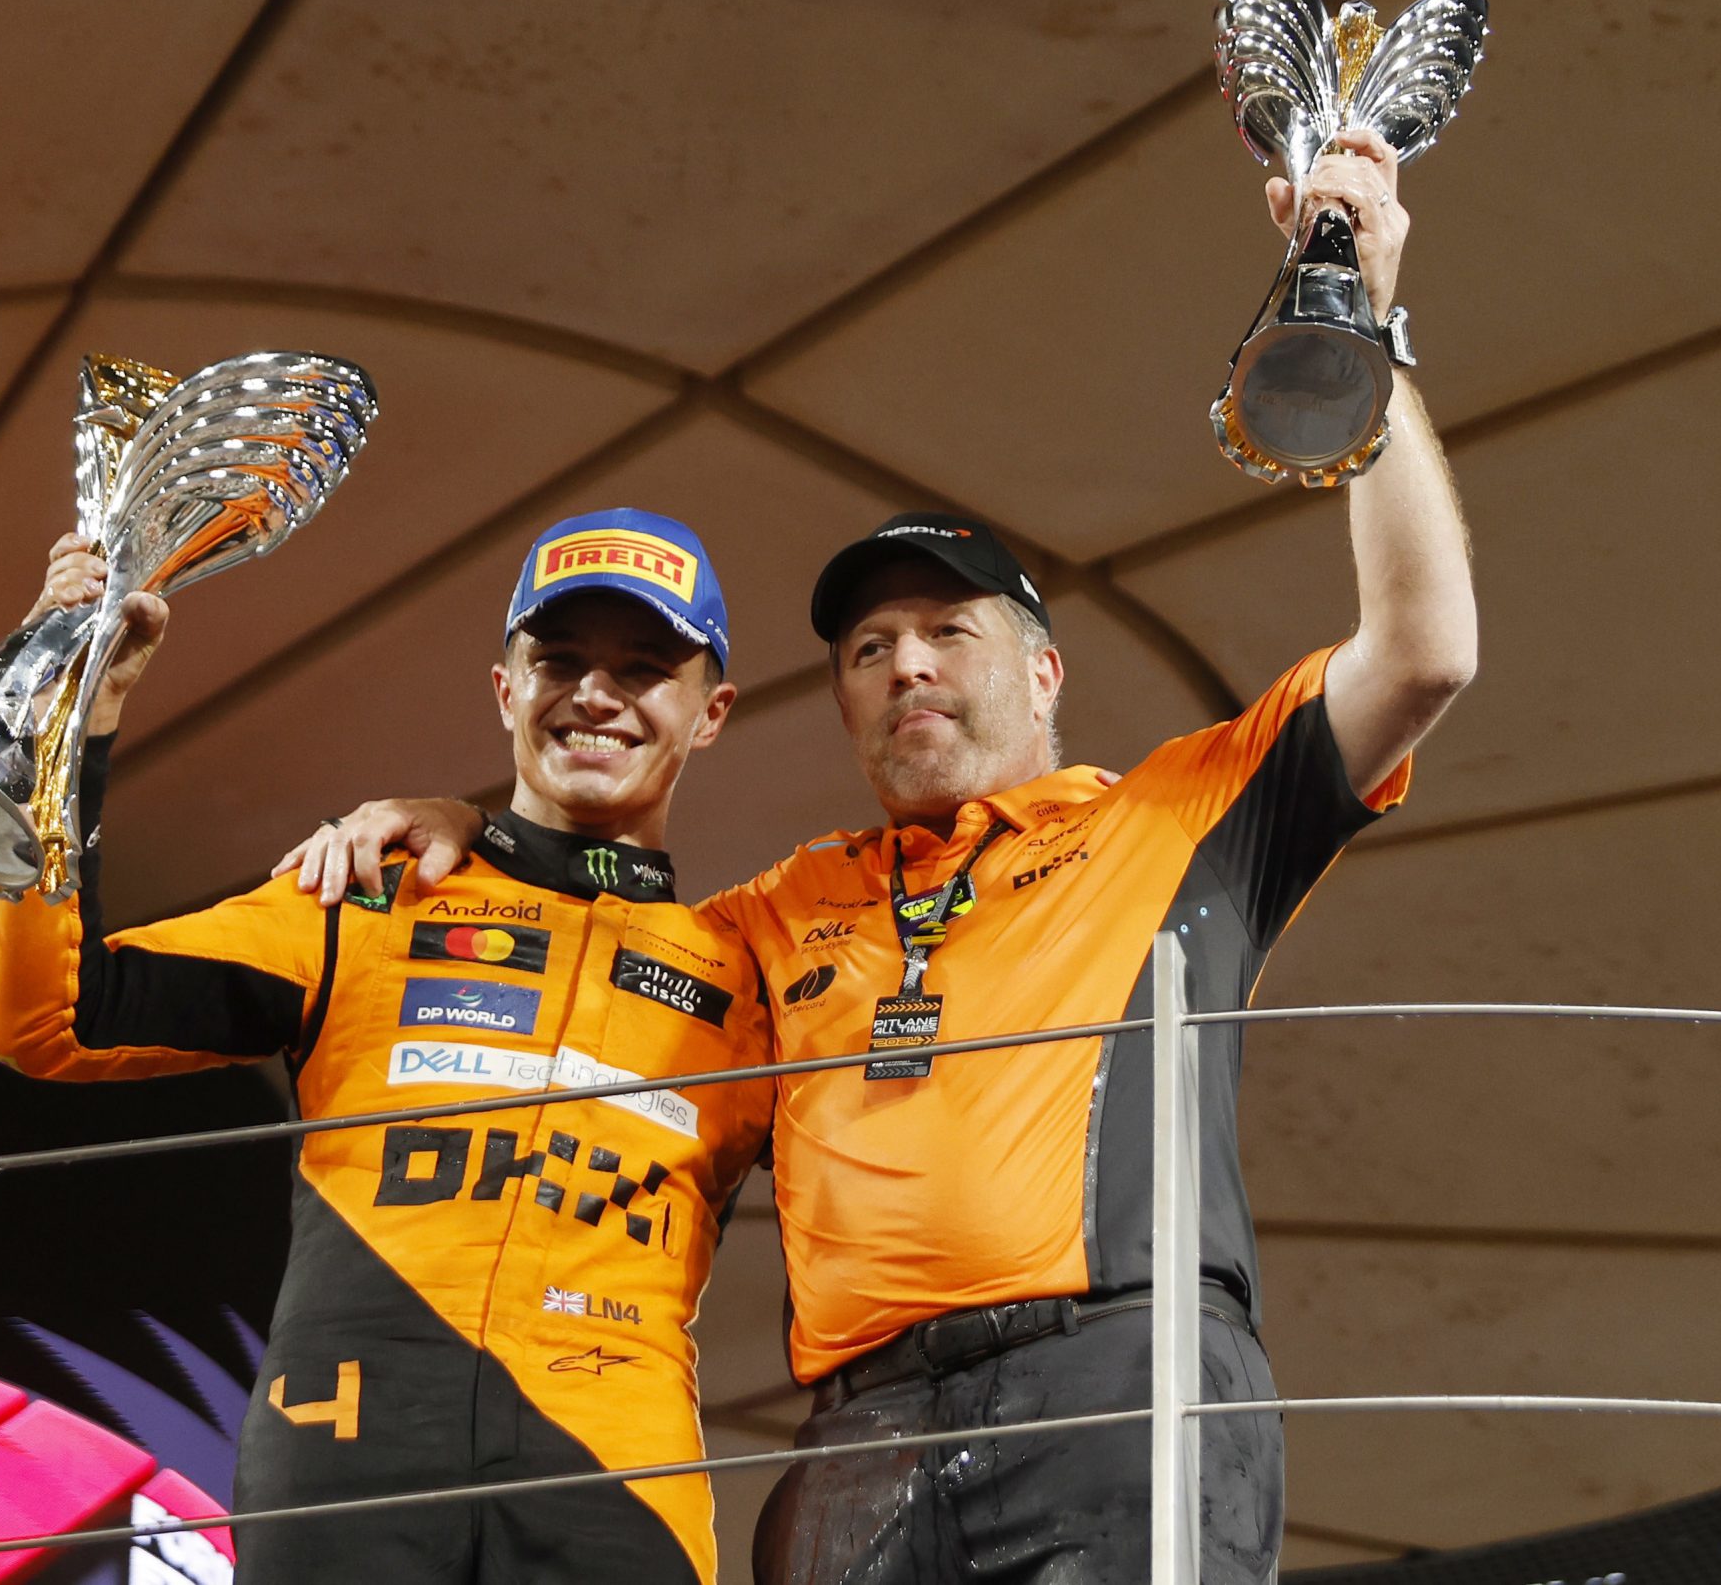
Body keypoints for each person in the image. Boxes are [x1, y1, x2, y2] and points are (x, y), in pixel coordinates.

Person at [278, 127, 1475, 1583]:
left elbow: (1424, 652)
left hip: (1115, 1382)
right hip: (855, 1439)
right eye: (867, 647)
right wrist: (478, 818)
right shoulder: (777, 913)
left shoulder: (1181, 812)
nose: (907, 665)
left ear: (1041, 673)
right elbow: (597, 939)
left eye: (948, 633)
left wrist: (1367, 330)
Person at [0, 508, 778, 1585]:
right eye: (559, 660)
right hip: (348, 1447)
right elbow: (51, 1018)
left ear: (711, 712)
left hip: (618, 1479)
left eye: (643, 668)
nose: (594, 693)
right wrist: (67, 720)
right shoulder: (366, 894)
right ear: (504, 689)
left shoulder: (754, 978)